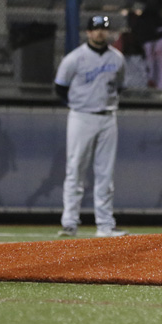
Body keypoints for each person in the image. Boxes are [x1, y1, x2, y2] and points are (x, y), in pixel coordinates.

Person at [54, 15, 127, 238]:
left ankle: (105, 225)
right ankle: (69, 223)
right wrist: (79, 105)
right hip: (81, 116)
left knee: (105, 172)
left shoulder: (117, 59)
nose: (99, 33)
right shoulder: (74, 58)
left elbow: (120, 86)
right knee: (75, 169)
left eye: (103, 29)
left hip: (107, 116)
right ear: (88, 32)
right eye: (95, 29)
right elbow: (60, 89)